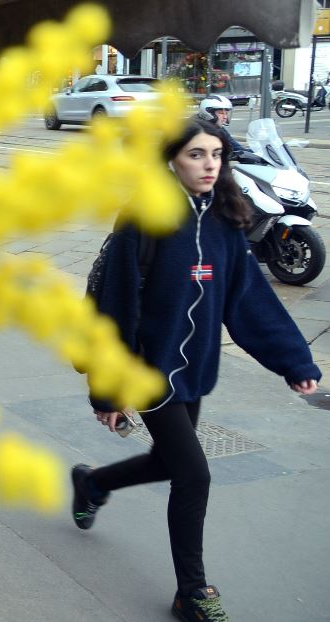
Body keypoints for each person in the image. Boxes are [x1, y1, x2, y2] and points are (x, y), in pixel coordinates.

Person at [73, 118, 320, 622]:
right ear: (170, 160)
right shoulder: (144, 221)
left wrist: (293, 360)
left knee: (169, 463)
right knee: (195, 475)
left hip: (195, 371)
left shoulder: (228, 222)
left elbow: (248, 300)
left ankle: (94, 483)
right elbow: (114, 307)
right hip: (149, 372)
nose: (210, 165)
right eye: (196, 155)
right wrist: (107, 389)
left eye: (217, 155)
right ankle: (192, 590)